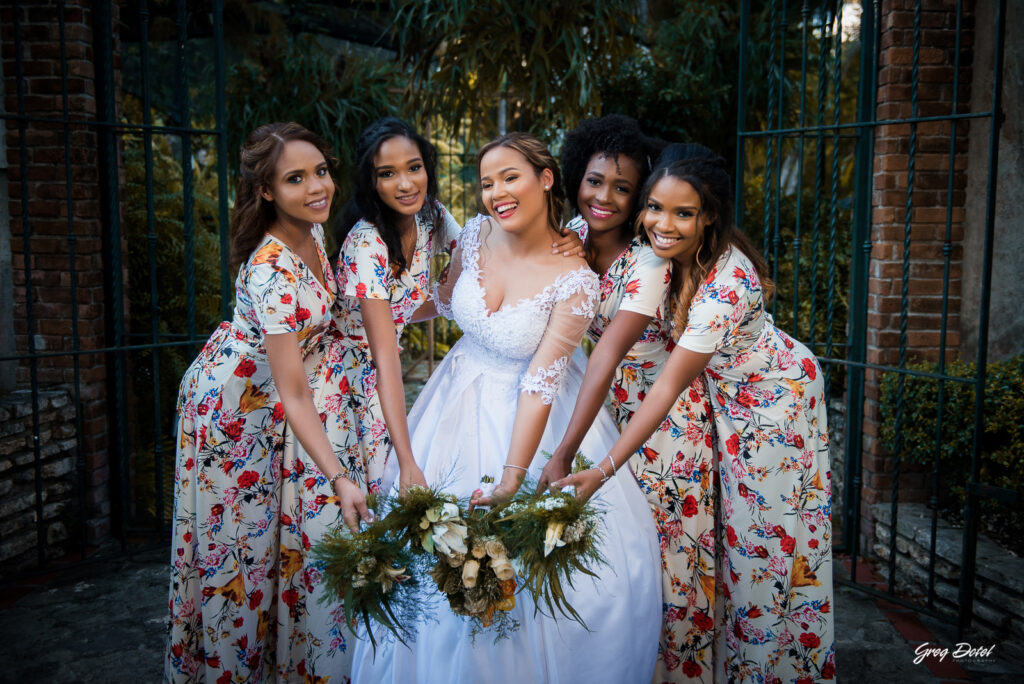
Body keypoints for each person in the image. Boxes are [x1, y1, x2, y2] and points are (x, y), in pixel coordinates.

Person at [349, 132, 661, 684]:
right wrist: (363, 320)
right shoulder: (472, 236)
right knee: (426, 559)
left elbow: (542, 382)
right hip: (453, 395)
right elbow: (442, 301)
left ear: (545, 178)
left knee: (527, 575)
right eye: (486, 182)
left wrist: (514, 476)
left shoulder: (575, 277)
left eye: (510, 177)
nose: (495, 193)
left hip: (529, 418)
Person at [558, 150, 836, 682]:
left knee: (763, 552)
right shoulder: (648, 246)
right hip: (713, 398)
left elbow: (666, 385)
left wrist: (603, 467)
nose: (664, 224)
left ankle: (767, 670)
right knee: (719, 546)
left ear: (708, 216)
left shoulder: (726, 284)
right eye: (655, 208)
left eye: (683, 214)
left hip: (771, 404)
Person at [165, 122, 366, 683]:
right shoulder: (272, 268)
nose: (317, 187)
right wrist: (339, 476)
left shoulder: (314, 233)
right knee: (242, 559)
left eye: (320, 171)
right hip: (234, 412)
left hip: (269, 401)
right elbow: (294, 391)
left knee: (274, 551)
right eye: (295, 179)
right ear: (267, 191)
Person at [539, 123, 717, 682]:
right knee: (623, 563)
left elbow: (605, 356)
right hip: (606, 411)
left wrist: (565, 450)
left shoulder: (647, 264)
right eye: (594, 181)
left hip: (663, 424)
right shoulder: (570, 232)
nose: (603, 198)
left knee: (670, 564)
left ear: (640, 199)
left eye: (622, 189)